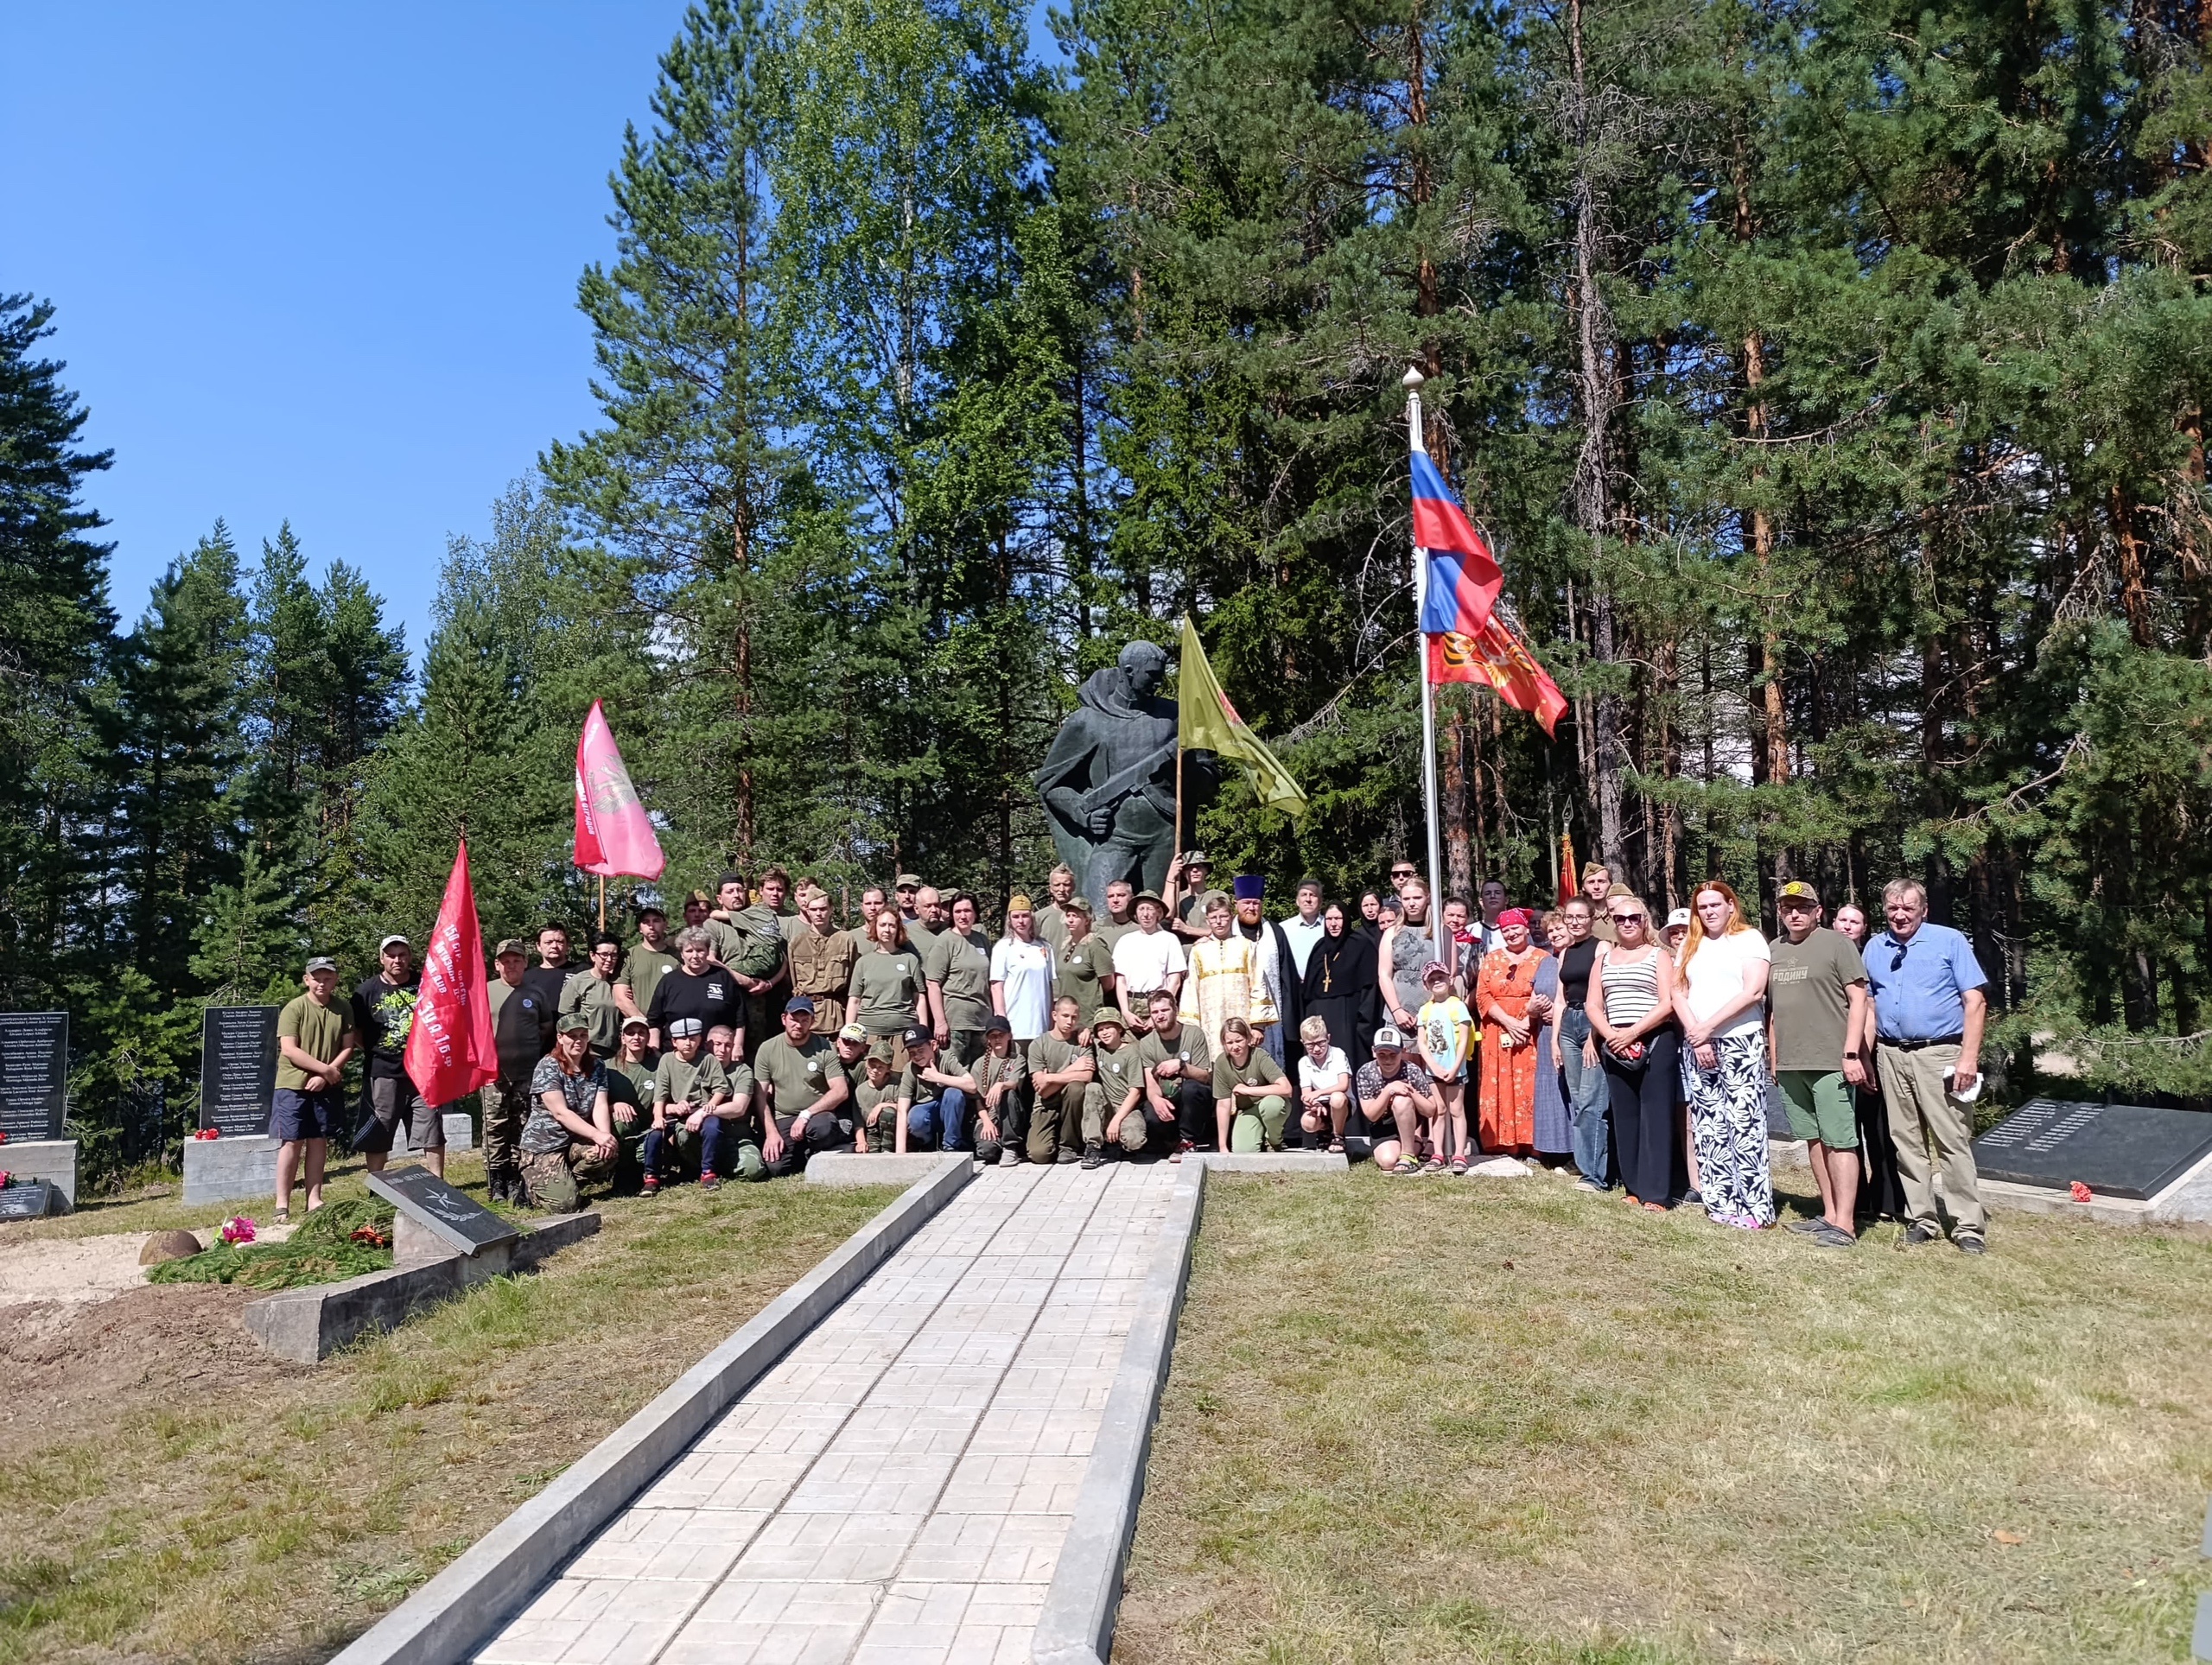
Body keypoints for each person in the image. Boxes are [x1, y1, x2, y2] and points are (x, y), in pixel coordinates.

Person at [1863, 878, 1992, 1254]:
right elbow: (1869, 1005)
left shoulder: (1949, 941)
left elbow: (1975, 1002)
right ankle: (1922, 1219)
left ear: (1924, 909)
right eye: (1893, 908)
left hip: (1941, 1055)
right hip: (1890, 1054)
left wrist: (1968, 1058)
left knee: (1951, 1139)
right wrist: (1866, 1056)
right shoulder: (1874, 947)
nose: (1900, 915)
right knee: (1906, 1141)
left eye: (1908, 908)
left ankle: (1968, 1225)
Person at [1768, 880, 1868, 1248]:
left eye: (1803, 907)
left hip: (1831, 1060)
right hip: (1791, 1063)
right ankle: (1828, 1214)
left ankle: (1846, 1224)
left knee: (1839, 1141)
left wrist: (1852, 1053)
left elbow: (1859, 1000)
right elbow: (1774, 1012)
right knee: (1813, 1139)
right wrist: (1774, 1060)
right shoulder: (1774, 950)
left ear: (1818, 911)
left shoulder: (1837, 944)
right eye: (1788, 908)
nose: (1795, 914)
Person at [1673, 881, 1774, 1230]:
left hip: (1739, 1042)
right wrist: (1696, 1034)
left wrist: (1709, 1026)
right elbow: (1678, 992)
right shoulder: (1690, 943)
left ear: (1731, 905)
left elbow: (1753, 991)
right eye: (1703, 906)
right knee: (1709, 1125)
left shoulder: (1749, 939)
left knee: (1744, 1124)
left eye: (1716, 904)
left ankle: (1756, 1208)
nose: (1709, 911)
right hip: (1698, 1044)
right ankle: (1720, 1202)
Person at [1588, 893, 1679, 1211]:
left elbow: (1667, 1003)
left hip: (1654, 1038)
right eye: (1621, 918)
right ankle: (1634, 1187)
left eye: (1634, 918)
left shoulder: (1659, 956)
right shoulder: (1603, 960)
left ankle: (1657, 1194)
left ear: (1644, 922)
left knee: (1655, 1116)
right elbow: (1593, 1004)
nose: (1627, 923)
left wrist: (1633, 1032)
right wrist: (1612, 1035)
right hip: (1615, 1042)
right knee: (1625, 1116)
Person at [1833, 900, 1906, 1222]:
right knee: (1845, 1130)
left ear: (1864, 929)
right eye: (1843, 920)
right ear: (1833, 923)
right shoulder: (1827, 955)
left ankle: (1889, 1201)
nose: (1847, 926)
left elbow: (1872, 1009)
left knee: (1879, 1130)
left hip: (1870, 1051)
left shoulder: (1873, 958)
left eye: (1855, 922)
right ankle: (1856, 1200)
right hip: (1835, 1052)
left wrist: (1864, 1055)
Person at [271, 956, 355, 1223]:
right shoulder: (294, 1008)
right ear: (306, 980)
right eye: (316, 978)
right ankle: (282, 1203)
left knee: (319, 1139)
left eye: (327, 978)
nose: (322, 983)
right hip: (293, 1084)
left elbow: (348, 1047)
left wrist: (327, 1075)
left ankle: (314, 1198)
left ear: (335, 980)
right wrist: (325, 1070)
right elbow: (289, 1049)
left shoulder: (343, 1008)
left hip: (326, 1085)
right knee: (291, 1142)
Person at [353, 934, 442, 1177]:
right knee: (379, 1129)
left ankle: (439, 1182)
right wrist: (378, 1050)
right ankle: (376, 1184)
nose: (397, 960)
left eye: (402, 955)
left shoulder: (427, 984)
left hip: (423, 1071)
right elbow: (356, 1032)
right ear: (381, 958)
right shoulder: (366, 991)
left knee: (431, 1127)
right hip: (383, 1071)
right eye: (391, 956)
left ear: (410, 957)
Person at [518, 1014, 619, 1212]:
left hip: (575, 1141)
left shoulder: (597, 1066)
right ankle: (532, 1186)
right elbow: (560, 1113)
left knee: (608, 1153)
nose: (578, 1041)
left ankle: (566, 1180)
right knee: (565, 1206)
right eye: (572, 1036)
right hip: (546, 1145)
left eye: (583, 1035)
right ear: (560, 1038)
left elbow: (600, 1104)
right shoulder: (548, 1066)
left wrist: (604, 1137)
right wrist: (596, 1135)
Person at [483, 937, 556, 1204]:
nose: (511, 965)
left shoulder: (535, 993)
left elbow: (545, 1028)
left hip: (527, 1073)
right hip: (494, 1074)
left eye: (516, 960)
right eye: (506, 961)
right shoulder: (485, 990)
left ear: (525, 963)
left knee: (522, 1126)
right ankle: (496, 1179)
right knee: (495, 1127)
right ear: (497, 965)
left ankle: (516, 1177)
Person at [1475, 909, 1548, 1161]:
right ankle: (1503, 1142)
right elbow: (1483, 995)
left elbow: (1547, 992)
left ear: (1526, 928)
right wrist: (1509, 1022)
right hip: (1498, 1030)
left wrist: (1525, 1022)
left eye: (1515, 928)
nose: (1511, 933)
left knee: (1531, 1083)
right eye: (1506, 930)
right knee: (1500, 1082)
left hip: (1532, 1029)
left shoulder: (1543, 958)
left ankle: (1534, 1143)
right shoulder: (1492, 958)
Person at [753, 997, 853, 1177]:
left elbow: (841, 1090)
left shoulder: (825, 1047)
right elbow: (760, 1096)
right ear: (784, 1019)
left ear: (812, 1021)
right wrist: (771, 1132)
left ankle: (830, 1143)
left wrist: (806, 1114)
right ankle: (806, 1154)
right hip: (784, 1116)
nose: (799, 1025)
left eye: (804, 1020)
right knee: (776, 1167)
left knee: (823, 1129)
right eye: (794, 1019)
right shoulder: (767, 1049)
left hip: (817, 1115)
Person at [1554, 899, 1611, 1192]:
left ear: (1591, 919)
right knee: (1578, 1100)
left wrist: (1594, 1036)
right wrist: (1554, 1040)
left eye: (1581, 917)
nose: (1575, 922)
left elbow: (1605, 996)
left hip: (1592, 1023)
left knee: (1592, 1101)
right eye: (1570, 917)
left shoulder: (1601, 948)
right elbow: (1560, 998)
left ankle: (1595, 1176)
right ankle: (1584, 1163)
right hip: (1568, 1023)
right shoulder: (1565, 952)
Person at [642, 1017, 734, 1192]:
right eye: (683, 1039)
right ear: (674, 1042)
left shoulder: (708, 1059)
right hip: (676, 1109)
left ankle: (708, 1172)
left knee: (712, 1128)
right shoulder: (667, 1060)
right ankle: (651, 1177)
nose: (688, 1043)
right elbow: (660, 1093)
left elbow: (721, 1088)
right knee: (654, 1134)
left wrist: (710, 1105)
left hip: (701, 1108)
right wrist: (658, 1117)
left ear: (700, 1040)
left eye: (692, 1038)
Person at [1180, 892, 1275, 1056]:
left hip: (1243, 1021)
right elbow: (1191, 991)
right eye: (1213, 918)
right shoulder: (1199, 951)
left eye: (1223, 916)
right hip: (1211, 1023)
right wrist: (1191, 1029)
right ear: (1207, 920)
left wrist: (1258, 1026)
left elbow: (1258, 984)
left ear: (1231, 917)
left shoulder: (1246, 946)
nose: (1219, 922)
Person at [1301, 902, 1380, 1072]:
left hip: (1349, 1021)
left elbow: (1369, 991)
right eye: (1329, 919)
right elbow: (1309, 992)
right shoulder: (1319, 948)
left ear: (1346, 919)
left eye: (1338, 918)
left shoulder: (1361, 946)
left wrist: (1364, 1026)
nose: (1333, 924)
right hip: (1321, 1019)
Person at [1136, 987, 1212, 1158]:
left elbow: (1205, 1077)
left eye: (1164, 1010)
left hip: (1191, 1099)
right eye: (1155, 1012)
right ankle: (1171, 1142)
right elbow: (1151, 1083)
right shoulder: (1146, 1043)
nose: (1160, 1016)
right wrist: (1156, 1100)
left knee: (1193, 1089)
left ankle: (1188, 1141)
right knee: (1152, 1114)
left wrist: (1181, 1066)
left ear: (1175, 1010)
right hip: (1167, 1097)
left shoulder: (1194, 1034)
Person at [1414, 960, 1475, 1172]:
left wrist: (1455, 1067)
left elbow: (1464, 1039)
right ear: (1426, 985)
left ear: (1449, 980)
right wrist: (1433, 1067)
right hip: (1434, 1070)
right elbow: (1422, 1042)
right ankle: (1438, 1153)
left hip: (1455, 1068)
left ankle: (1459, 1154)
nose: (1437, 982)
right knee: (1438, 1111)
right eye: (1432, 979)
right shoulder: (1425, 1010)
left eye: (1440, 977)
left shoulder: (1458, 1006)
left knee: (1457, 1110)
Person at [849, 906, 929, 1064]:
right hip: (870, 1033)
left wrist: (923, 1031)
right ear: (875, 928)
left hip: (903, 1032)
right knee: (872, 1075)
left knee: (901, 1075)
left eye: (892, 925)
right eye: (882, 925)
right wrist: (850, 1032)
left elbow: (919, 998)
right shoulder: (863, 962)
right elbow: (854, 1001)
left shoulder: (910, 960)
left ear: (898, 929)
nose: (887, 930)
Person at [1354, 1026, 1439, 1174]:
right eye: (1382, 1054)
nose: (1388, 1060)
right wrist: (1389, 1089)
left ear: (1403, 1051)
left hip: (1408, 1115)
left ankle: (1409, 1155)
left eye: (1393, 1054)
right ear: (1373, 1052)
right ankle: (1416, 1143)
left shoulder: (1412, 1070)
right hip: (1383, 1124)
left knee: (1401, 1100)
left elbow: (1430, 1110)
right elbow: (1371, 1115)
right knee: (1388, 1162)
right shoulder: (1365, 1072)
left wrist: (1409, 1091)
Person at [645, 927, 745, 1051]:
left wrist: (738, 1045)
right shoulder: (669, 981)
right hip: (677, 1053)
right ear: (682, 954)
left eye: (700, 950)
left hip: (717, 1052)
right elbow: (654, 1021)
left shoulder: (722, 977)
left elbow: (740, 1017)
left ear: (708, 951)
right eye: (689, 951)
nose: (695, 956)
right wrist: (654, 1049)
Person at [1230, 877, 1296, 1063]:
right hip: (1237, 1011)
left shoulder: (1275, 932)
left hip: (1272, 1017)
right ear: (1236, 904)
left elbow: (1287, 977)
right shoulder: (1227, 933)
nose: (1251, 908)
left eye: (1256, 903)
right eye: (1246, 903)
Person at [925, 893, 995, 1064]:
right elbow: (932, 984)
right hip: (956, 1022)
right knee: (954, 1073)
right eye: (958, 911)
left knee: (980, 1072)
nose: (963, 916)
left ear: (975, 913)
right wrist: (940, 1023)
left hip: (982, 1021)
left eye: (967, 911)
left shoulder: (981, 940)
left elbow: (990, 981)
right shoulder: (945, 941)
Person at [1081, 1007, 1154, 1165]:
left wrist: (1116, 1121)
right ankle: (1093, 1147)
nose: (1104, 1033)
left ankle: (1120, 1145)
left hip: (1127, 1108)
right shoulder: (1098, 1047)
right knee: (1093, 1088)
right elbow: (1077, 1032)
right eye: (1100, 1029)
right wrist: (1084, 1030)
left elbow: (1135, 1092)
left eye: (1109, 1027)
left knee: (1134, 1141)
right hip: (1106, 1107)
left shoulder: (1132, 1052)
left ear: (1120, 1028)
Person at [1027, 995, 1095, 1164]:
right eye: (1065, 1016)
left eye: (1074, 1017)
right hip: (1046, 1105)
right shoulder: (1039, 1044)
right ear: (1054, 1015)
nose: (1070, 1022)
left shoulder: (1082, 1043)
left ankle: (1068, 1146)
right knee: (1039, 1155)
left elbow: (1087, 1076)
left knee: (1076, 1088)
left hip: (1070, 1103)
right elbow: (1042, 1090)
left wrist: (1050, 1077)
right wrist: (1072, 1069)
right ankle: (1052, 1138)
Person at [1531, 912, 1574, 1166]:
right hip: (1546, 1034)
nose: (1555, 934)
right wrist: (1534, 1009)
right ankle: (1553, 1150)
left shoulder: (1581, 958)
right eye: (1551, 931)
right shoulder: (1546, 962)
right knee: (1552, 1091)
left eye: (1559, 928)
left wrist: (1559, 1013)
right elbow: (1531, 1001)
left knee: (1573, 1090)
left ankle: (1576, 1152)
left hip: (1571, 1032)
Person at [989, 896, 1057, 1057]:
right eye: (1016, 916)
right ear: (1010, 920)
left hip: (1041, 1026)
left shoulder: (1045, 947)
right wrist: (1002, 1022)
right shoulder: (1003, 948)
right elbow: (996, 987)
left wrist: (1051, 1020)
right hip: (1016, 1026)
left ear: (1032, 918)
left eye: (1025, 916)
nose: (1021, 921)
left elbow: (1049, 986)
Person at [788, 887, 861, 1033]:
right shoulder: (797, 943)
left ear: (831, 909)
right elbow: (793, 980)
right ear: (807, 911)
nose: (818, 913)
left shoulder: (845, 940)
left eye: (823, 909)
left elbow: (853, 982)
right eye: (814, 909)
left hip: (836, 1013)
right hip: (806, 1013)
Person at [1212, 1016, 1291, 1152]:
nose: (1235, 1047)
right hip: (1248, 1110)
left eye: (1239, 1041)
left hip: (1269, 1103)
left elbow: (1286, 1089)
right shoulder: (1221, 1063)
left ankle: (1274, 1141)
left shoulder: (1259, 1056)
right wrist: (1222, 1146)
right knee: (1242, 1151)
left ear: (1248, 1038)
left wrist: (1247, 1090)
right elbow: (1223, 1104)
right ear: (1224, 1043)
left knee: (1272, 1106)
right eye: (1230, 1042)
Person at [1112, 891, 1187, 1024]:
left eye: (1150, 909)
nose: (1145, 914)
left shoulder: (1169, 939)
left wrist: (1162, 1010)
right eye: (1141, 909)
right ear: (1135, 914)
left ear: (1158, 913)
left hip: (1159, 1002)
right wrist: (1126, 1012)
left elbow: (1174, 981)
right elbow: (1120, 981)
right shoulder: (1125, 941)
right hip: (1131, 1002)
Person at [898, 1026, 971, 1153]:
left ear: (933, 1045)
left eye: (920, 1050)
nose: (917, 1056)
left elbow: (971, 1085)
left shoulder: (946, 1058)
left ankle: (951, 1146)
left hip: (949, 1111)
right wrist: (900, 1154)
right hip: (929, 1113)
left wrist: (938, 1077)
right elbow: (902, 1110)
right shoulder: (909, 1069)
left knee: (953, 1094)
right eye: (912, 1053)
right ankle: (928, 1145)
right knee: (915, 1116)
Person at [1377, 883, 1439, 1033]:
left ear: (1428, 898)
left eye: (1417, 898)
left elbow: (1451, 974)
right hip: (1399, 1014)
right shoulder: (1392, 933)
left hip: (1434, 1013)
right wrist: (1396, 1010)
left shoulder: (1441, 932)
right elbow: (1384, 975)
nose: (1411, 903)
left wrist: (1429, 1009)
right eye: (1406, 899)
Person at [603, 1014, 658, 1179]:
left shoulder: (660, 1064)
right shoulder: (607, 1067)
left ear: (648, 1037)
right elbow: (594, 1104)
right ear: (623, 1038)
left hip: (651, 1127)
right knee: (622, 1122)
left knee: (648, 1155)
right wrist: (613, 1106)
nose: (636, 1037)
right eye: (631, 1033)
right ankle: (624, 1172)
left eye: (641, 1033)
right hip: (623, 1126)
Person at [968, 1015, 1027, 1165]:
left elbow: (1014, 1083)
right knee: (986, 1151)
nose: (997, 1039)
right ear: (988, 1039)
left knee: (1009, 1093)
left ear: (1009, 1036)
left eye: (1001, 1035)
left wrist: (1000, 1085)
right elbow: (978, 1099)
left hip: (1009, 1114)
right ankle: (997, 1144)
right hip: (988, 1116)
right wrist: (987, 1122)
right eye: (993, 1036)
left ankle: (1010, 1147)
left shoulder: (1017, 1059)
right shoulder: (979, 1064)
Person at [1052, 898, 1114, 1036]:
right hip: (1067, 1019)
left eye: (1076, 916)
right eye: (1068, 915)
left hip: (1087, 1019)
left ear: (1087, 920)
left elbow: (1108, 983)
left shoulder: (1095, 946)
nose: (1070, 920)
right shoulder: (1065, 945)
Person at [559, 932, 626, 1053]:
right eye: (604, 955)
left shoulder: (620, 983)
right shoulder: (578, 982)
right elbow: (564, 1018)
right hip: (587, 1050)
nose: (609, 959)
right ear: (593, 955)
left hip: (615, 1050)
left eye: (614, 955)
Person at [614, 906, 679, 1029]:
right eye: (646, 922)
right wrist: (644, 1024)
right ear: (640, 928)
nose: (651, 926)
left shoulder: (678, 957)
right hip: (639, 1029)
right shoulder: (628, 956)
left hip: (671, 1028)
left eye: (656, 921)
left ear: (665, 925)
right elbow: (621, 999)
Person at [1294, 1014, 1352, 1150]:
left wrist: (1318, 1093)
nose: (1316, 1049)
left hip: (1341, 1103)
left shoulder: (1338, 1054)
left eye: (1321, 1043)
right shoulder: (1304, 1062)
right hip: (1321, 1104)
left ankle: (1338, 1136)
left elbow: (1343, 1085)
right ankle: (1326, 1130)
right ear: (1303, 1043)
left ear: (1328, 1038)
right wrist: (1313, 1103)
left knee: (1337, 1098)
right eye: (1310, 1045)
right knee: (1307, 1122)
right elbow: (1306, 1094)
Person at [852, 1040, 905, 1153]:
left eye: (881, 1067)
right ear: (866, 1064)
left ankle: (888, 1151)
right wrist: (861, 1142)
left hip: (893, 1132)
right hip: (872, 1132)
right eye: (872, 1065)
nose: (875, 1070)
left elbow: (905, 1108)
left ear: (888, 1068)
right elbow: (858, 1122)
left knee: (888, 1112)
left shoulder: (896, 1085)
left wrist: (882, 1105)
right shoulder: (860, 1091)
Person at [1277, 879, 1327, 985]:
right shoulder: (1284, 928)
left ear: (1320, 901)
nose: (1308, 899)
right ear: (1297, 901)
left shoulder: (1329, 926)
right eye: (1304, 895)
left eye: (1313, 895)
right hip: (1294, 987)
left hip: (1323, 987)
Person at [524, 923, 576, 1014]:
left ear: (567, 945)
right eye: (548, 942)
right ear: (538, 946)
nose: (554, 946)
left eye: (560, 942)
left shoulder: (582, 972)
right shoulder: (527, 978)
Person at [1166, 850, 1214, 943]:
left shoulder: (1217, 896)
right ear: (1184, 873)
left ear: (1206, 870)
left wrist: (1187, 929)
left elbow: (1224, 930)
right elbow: (1167, 915)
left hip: (1211, 945)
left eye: (1199, 866)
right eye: (1190, 868)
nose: (1194, 870)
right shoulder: (1177, 898)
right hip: (1185, 947)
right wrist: (1171, 876)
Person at [1034, 864, 1079, 952]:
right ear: (1051, 888)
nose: (1061, 889)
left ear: (1073, 887)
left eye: (1066, 885)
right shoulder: (1039, 917)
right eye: (1057, 885)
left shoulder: (1084, 915)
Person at [1094, 879, 1140, 955]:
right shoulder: (1095, 928)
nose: (1115, 900)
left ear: (1131, 898)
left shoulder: (1143, 926)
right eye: (1111, 896)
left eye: (1121, 895)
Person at [1581, 863, 1618, 944]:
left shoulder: (1620, 916)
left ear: (1610, 884)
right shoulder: (1578, 919)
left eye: (1601, 882)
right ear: (1583, 887)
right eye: (1591, 882)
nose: (1596, 887)